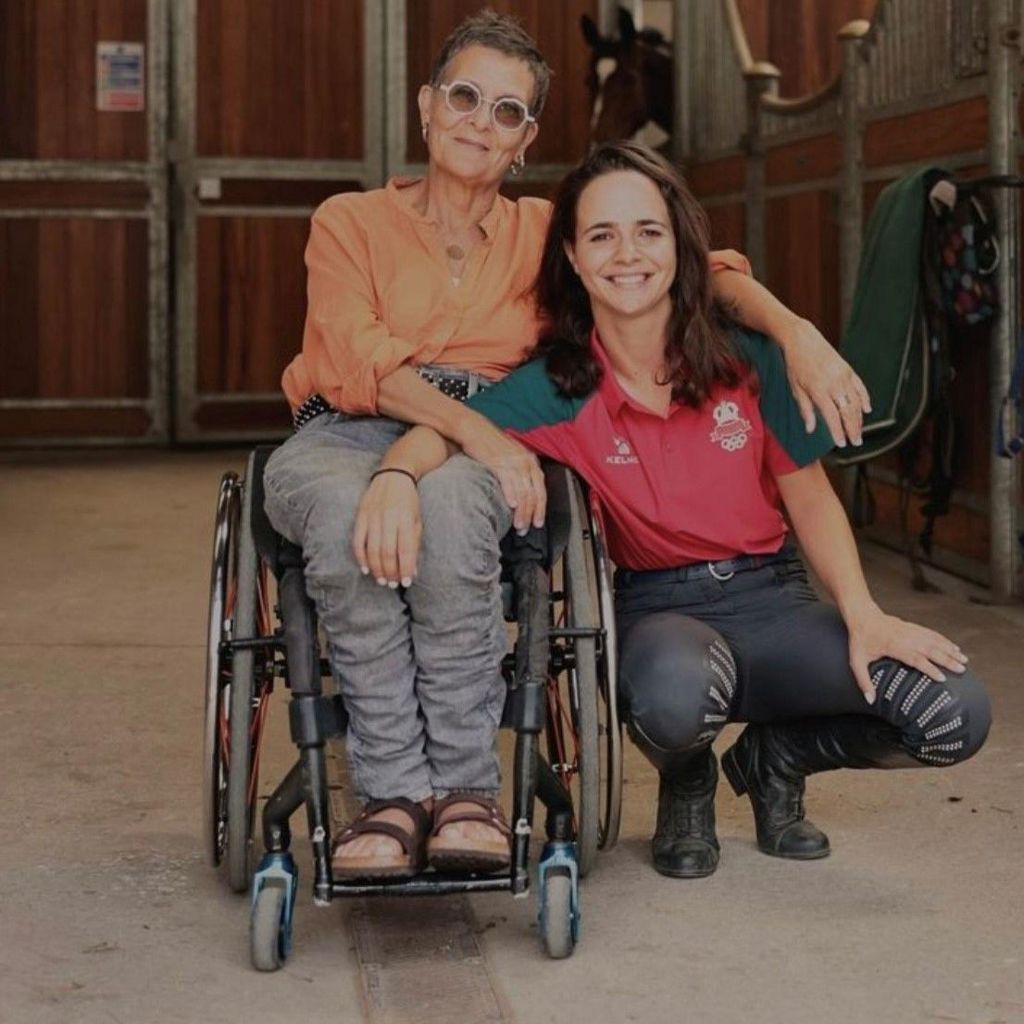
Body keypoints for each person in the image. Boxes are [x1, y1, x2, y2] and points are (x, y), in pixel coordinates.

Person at [264, 12, 869, 880]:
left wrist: (797, 331)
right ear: (429, 108)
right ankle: (393, 794)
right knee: (341, 514)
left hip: (494, 428)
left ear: (526, 138)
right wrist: (430, 454)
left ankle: (466, 792)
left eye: (507, 111)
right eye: (465, 97)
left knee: (456, 508)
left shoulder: (545, 230)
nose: (481, 121)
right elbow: (356, 354)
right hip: (349, 423)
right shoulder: (349, 220)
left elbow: (701, 265)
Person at [359, 140, 991, 880]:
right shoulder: (557, 384)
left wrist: (863, 612)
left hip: (774, 599)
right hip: (661, 611)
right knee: (675, 697)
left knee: (955, 715)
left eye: (647, 231)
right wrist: (396, 476)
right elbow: (441, 434)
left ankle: (776, 757)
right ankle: (687, 777)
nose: (627, 254)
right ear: (570, 254)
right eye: (601, 235)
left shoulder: (748, 357)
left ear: (679, 245)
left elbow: (810, 494)